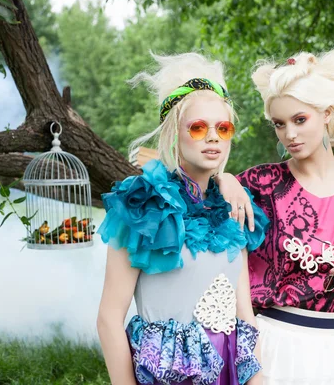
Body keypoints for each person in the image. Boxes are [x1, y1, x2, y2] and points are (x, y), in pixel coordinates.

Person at [216, 50, 334, 385]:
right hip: (277, 345)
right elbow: (192, 194)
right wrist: (223, 178)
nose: (290, 134)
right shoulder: (259, 185)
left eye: (299, 120)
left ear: (326, 113)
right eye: (279, 124)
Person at [96, 52, 268, 385]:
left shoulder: (235, 208)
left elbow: (244, 317)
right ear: (176, 131)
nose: (213, 137)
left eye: (223, 127)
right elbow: (108, 319)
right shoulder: (145, 206)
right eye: (199, 127)